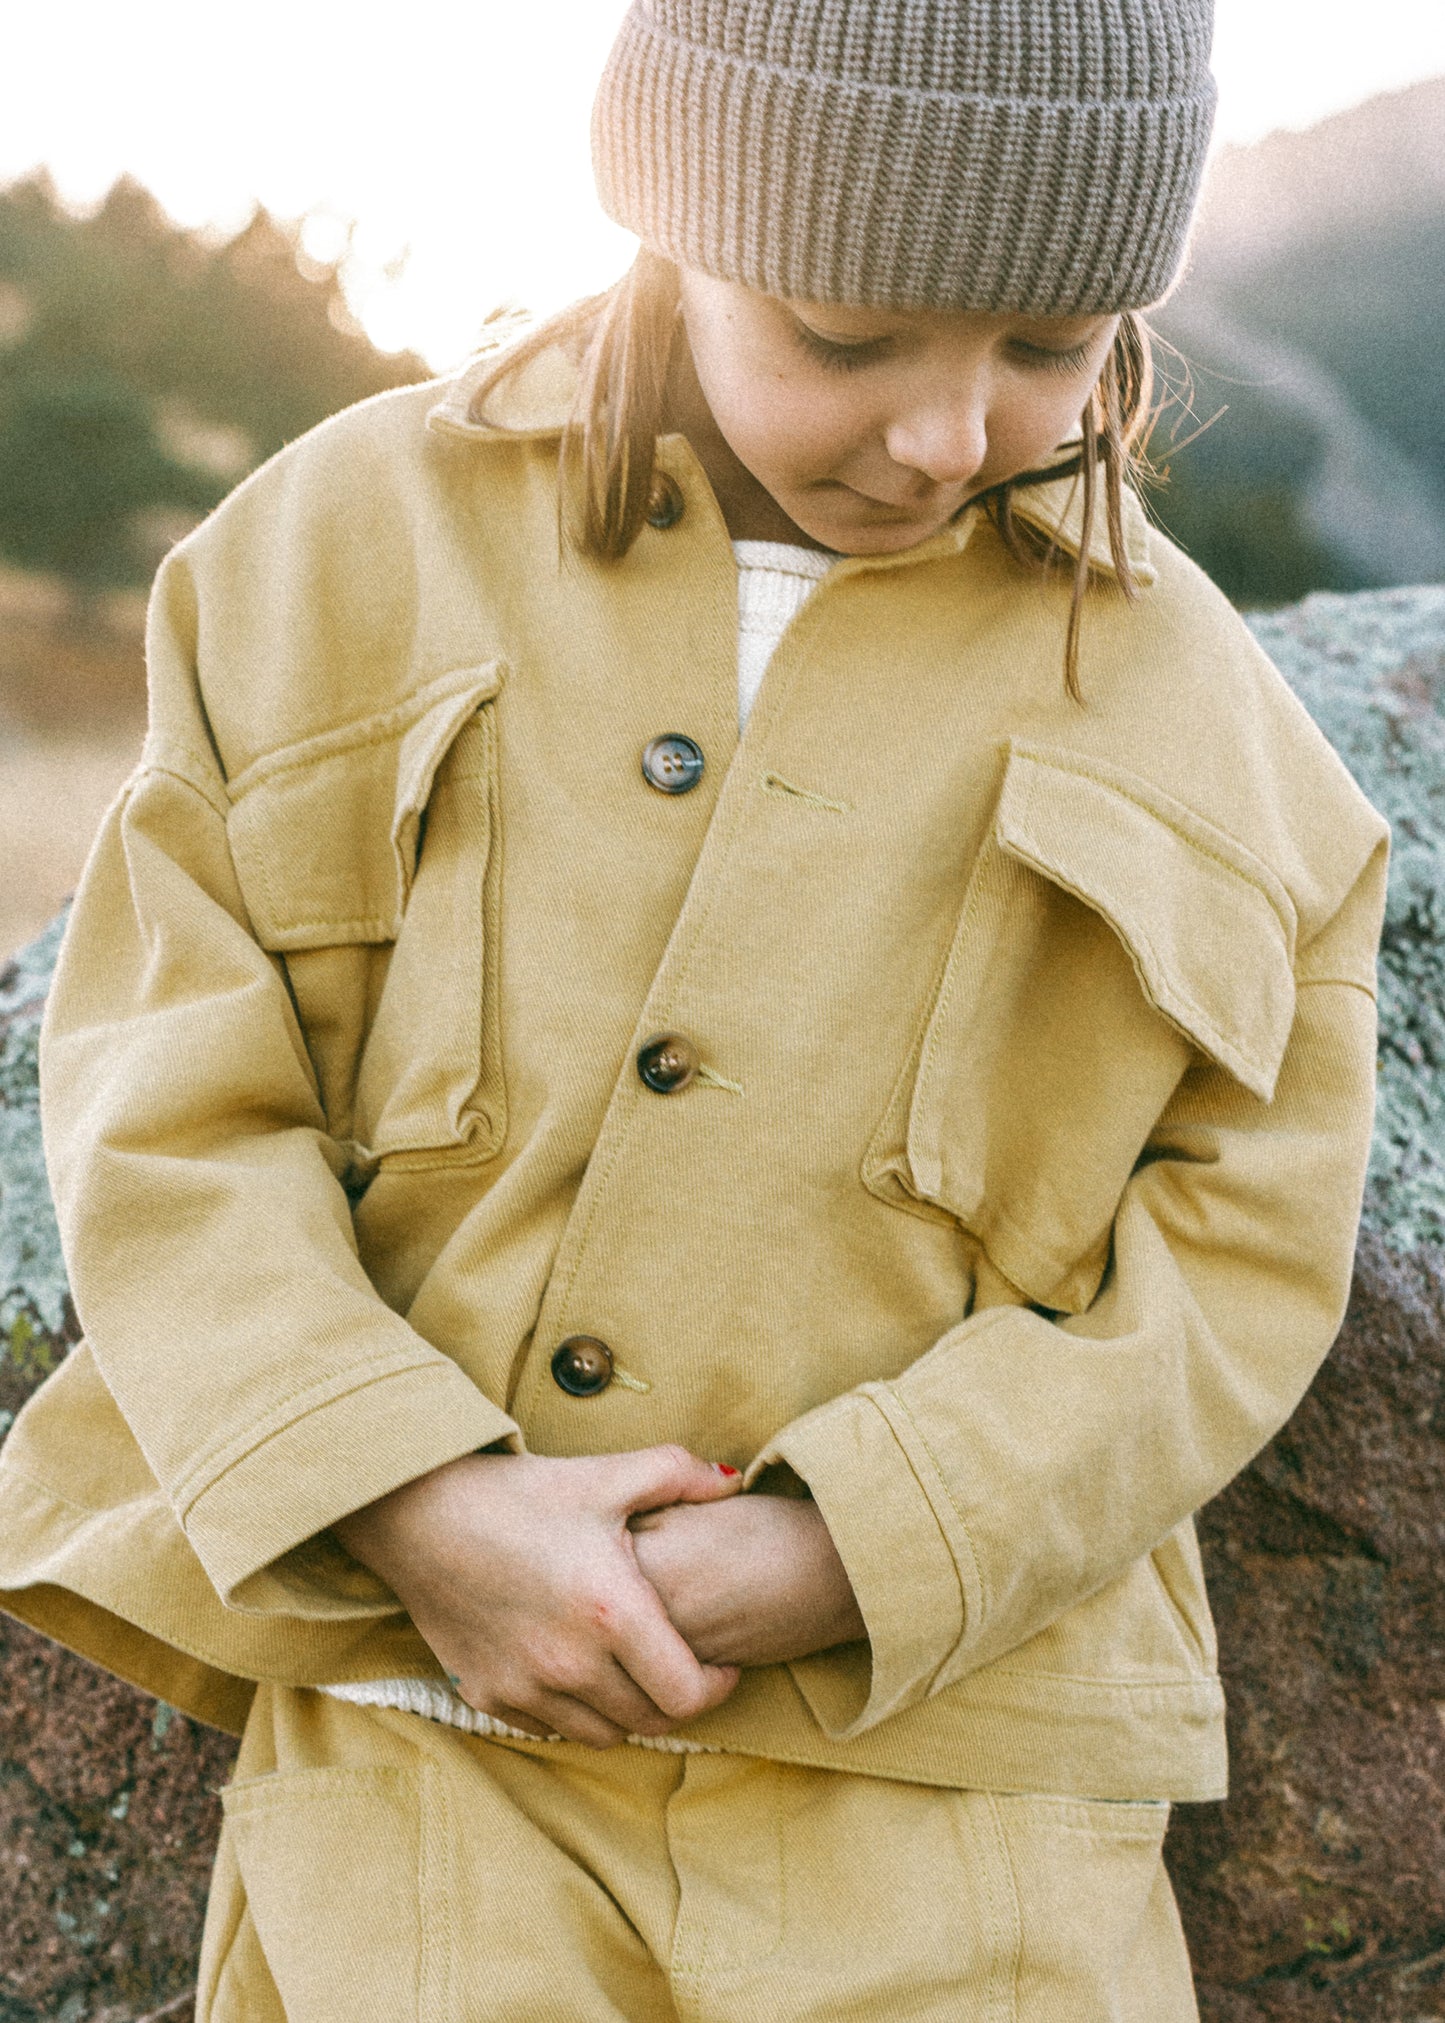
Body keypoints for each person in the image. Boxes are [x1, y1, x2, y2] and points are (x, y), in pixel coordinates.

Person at [0, 1, 1388, 2016]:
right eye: (849, 337)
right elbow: (165, 1092)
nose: (942, 433)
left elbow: (1242, 1261)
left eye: (1049, 349)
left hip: (966, 1812)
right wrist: (415, 1498)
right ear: (670, 217)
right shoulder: (314, 563)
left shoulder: (1227, 748)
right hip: (423, 1758)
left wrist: (860, 1544)